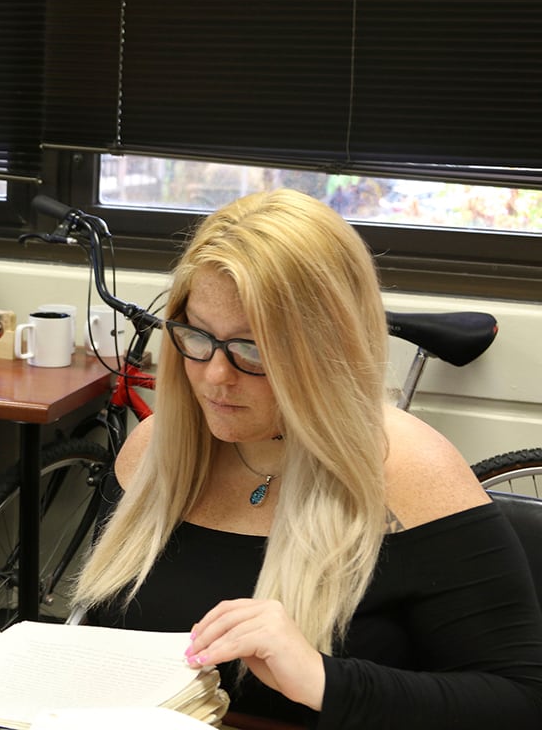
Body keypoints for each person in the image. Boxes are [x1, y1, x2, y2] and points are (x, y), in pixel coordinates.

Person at [74, 189, 542, 727]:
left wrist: (321, 678)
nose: (215, 376)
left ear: (330, 350)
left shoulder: (409, 474)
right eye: (197, 335)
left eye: (253, 349)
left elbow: (520, 703)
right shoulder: (152, 453)